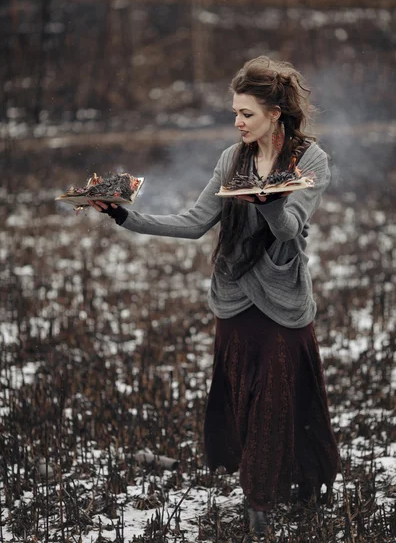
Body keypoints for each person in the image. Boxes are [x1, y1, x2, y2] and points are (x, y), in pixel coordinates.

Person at [88, 56, 339, 539]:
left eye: (246, 113)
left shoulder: (309, 160)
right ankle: (258, 493)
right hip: (234, 299)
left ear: (275, 112)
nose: (238, 122)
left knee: (280, 399)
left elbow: (290, 230)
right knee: (246, 401)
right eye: (235, 113)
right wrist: (122, 216)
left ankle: (267, 498)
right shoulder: (231, 159)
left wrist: (269, 203)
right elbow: (193, 222)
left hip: (283, 301)